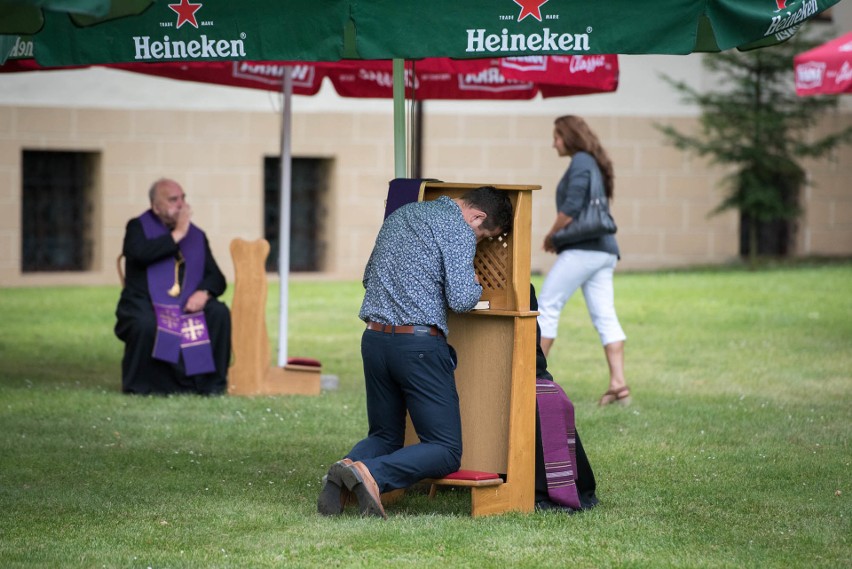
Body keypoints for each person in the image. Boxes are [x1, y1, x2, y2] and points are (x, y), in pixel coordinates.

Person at [317, 186, 514, 519]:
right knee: (445, 450)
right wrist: (477, 280)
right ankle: (371, 475)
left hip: (374, 340)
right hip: (418, 346)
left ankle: (344, 470)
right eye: (483, 236)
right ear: (477, 216)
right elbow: (463, 299)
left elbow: (368, 278)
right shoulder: (458, 228)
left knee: (384, 435)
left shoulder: (403, 213)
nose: (478, 242)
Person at [539, 115, 630, 406]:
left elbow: (571, 207)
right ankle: (619, 384)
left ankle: (532, 377)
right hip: (604, 251)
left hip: (583, 250)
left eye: (557, 136)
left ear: (570, 137)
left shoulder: (580, 161)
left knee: (546, 306)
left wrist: (552, 235)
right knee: (605, 315)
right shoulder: (593, 161)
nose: (554, 143)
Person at [114, 178, 230, 395]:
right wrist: (177, 234)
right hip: (145, 301)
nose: (181, 204)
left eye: (183, 198)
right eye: (173, 199)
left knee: (219, 313)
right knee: (145, 324)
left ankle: (209, 386)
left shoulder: (197, 236)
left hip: (187, 303)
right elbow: (139, 254)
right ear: (156, 207)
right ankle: (144, 387)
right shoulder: (138, 227)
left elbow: (217, 277)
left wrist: (203, 292)